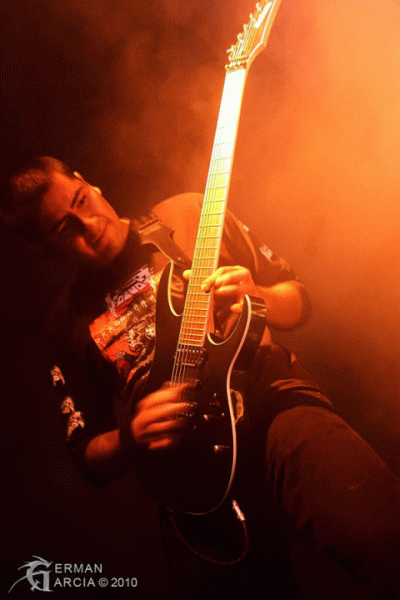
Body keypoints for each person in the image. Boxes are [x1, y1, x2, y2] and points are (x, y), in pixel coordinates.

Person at [2, 156, 400, 599]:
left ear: (88, 183)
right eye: (64, 230)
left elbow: (299, 300)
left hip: (273, 410)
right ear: (49, 249)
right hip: (188, 489)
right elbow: (85, 454)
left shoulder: (189, 214)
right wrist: (131, 437)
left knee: (381, 534)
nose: (89, 225)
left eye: (81, 201)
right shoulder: (63, 324)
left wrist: (259, 296)